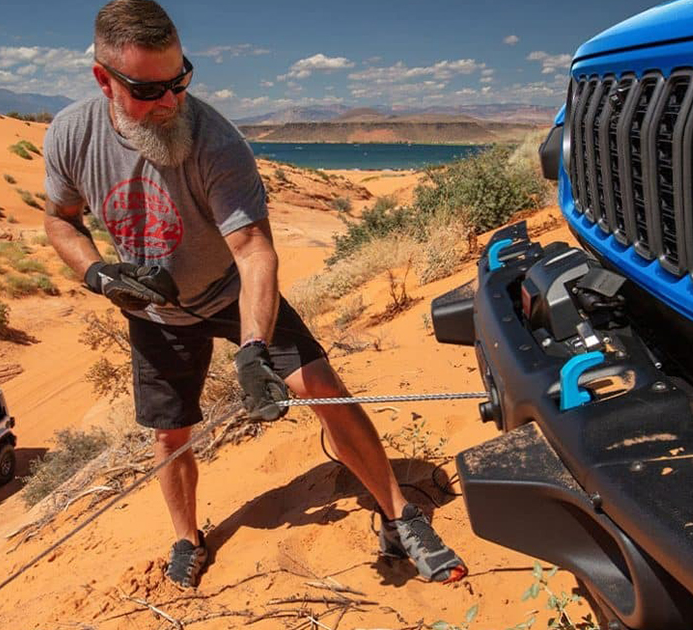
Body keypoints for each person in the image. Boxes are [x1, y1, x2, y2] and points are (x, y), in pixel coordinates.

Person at [42, 0, 466, 590]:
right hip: (156, 311)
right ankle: (188, 537)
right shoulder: (70, 135)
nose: (169, 102)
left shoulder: (215, 140)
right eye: (148, 89)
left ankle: (400, 516)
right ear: (103, 80)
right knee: (169, 435)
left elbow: (254, 251)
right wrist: (98, 274)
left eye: (179, 80)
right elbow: (61, 221)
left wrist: (253, 348)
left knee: (322, 388)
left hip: (232, 292)